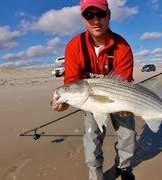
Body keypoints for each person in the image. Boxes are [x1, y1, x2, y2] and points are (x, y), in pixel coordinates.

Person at [51, 0, 136, 179]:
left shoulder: (123, 47)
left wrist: (125, 106)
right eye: (89, 15)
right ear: (83, 18)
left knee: (128, 135)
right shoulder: (74, 46)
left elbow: (123, 82)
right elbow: (72, 80)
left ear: (109, 15)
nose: (95, 20)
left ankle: (124, 167)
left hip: (119, 95)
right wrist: (65, 100)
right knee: (92, 138)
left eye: (100, 14)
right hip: (89, 98)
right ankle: (96, 175)